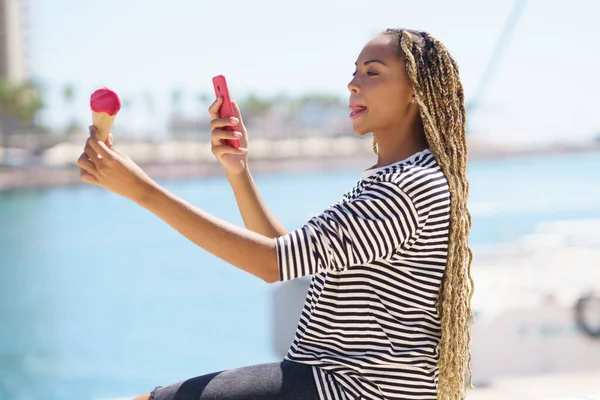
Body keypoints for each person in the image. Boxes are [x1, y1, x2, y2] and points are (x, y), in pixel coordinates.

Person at [77, 28, 474, 400]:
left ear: (416, 94)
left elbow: (272, 263)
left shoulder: (404, 187)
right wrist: (238, 171)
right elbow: (290, 255)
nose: (353, 84)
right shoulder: (398, 178)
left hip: (347, 387)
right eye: (354, 72)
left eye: (373, 73)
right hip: (328, 379)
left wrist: (142, 191)